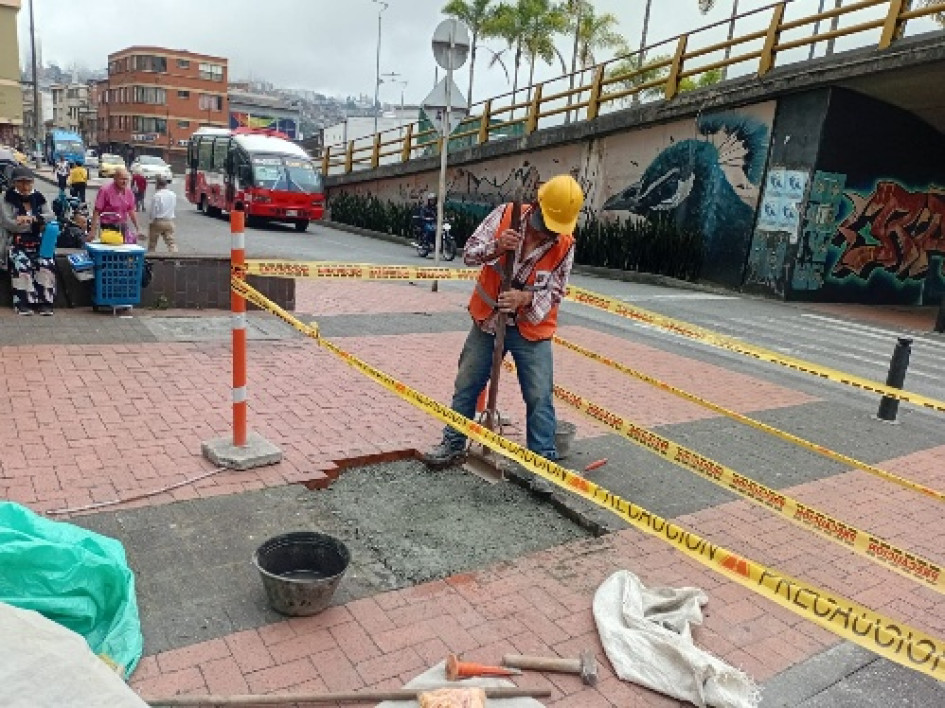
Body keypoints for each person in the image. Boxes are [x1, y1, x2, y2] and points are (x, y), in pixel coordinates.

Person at [422, 174, 584, 468]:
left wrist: (526, 300)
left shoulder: (565, 243)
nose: (551, 233)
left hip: (530, 329)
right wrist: (497, 246)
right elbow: (469, 254)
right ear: (537, 206)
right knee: (467, 384)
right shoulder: (507, 215)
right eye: (549, 225)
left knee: (539, 396)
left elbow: (557, 290)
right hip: (488, 320)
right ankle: (454, 442)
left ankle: (542, 464)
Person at [0, 166, 55, 315]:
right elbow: (9, 223)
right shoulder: (6, 198)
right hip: (16, 243)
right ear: (14, 183)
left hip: (38, 243)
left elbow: (50, 216)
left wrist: (31, 219)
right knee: (22, 265)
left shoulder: (39, 197)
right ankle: (23, 303)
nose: (25, 186)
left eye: (28, 182)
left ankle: (45, 303)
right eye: (21, 182)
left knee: (46, 264)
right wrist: (36, 225)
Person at [90, 167, 139, 244]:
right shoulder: (105, 190)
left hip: (121, 225)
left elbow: (131, 211)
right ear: (115, 179)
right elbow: (97, 211)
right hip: (107, 226)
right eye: (122, 179)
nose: (124, 182)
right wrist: (93, 230)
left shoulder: (129, 192)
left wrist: (137, 227)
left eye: (126, 179)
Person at [147, 176, 178, 253]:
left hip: (158, 221)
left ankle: (151, 257)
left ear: (158, 184)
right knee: (171, 242)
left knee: (152, 243)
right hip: (169, 220)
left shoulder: (157, 195)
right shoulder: (173, 194)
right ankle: (175, 257)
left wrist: (151, 219)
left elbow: (153, 210)